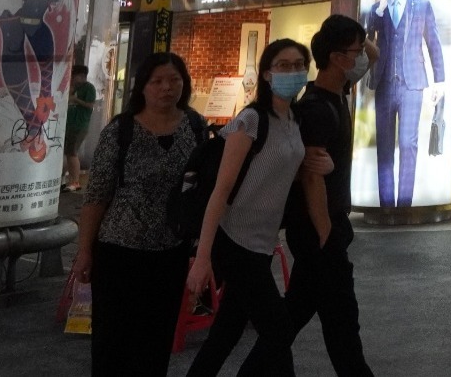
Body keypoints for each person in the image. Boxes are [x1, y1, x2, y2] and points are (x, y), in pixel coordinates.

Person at [185, 39, 329, 377]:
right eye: (283, 65)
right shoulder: (251, 119)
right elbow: (220, 191)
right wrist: (203, 257)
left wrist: (325, 165)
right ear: (266, 73)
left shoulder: (294, 120)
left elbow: (283, 171)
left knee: (226, 333)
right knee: (278, 330)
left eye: (299, 65)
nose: (293, 71)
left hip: (263, 242)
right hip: (234, 238)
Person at [250, 16, 378, 377]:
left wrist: (354, 33)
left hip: (322, 231)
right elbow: (311, 177)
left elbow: (374, 55)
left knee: (292, 317)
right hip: (319, 230)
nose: (362, 56)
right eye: (355, 51)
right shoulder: (318, 108)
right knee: (342, 323)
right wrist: (325, 233)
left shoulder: (339, 89)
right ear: (337, 58)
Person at [72, 52, 205, 377]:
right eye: (157, 81)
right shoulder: (121, 130)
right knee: (112, 343)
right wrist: (85, 250)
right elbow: (97, 195)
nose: (167, 88)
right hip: (119, 252)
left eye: (174, 80)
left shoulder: (195, 126)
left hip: (170, 252)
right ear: (142, 86)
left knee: (156, 341)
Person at [365, 0, 446, 207]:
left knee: (408, 143)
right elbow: (365, 38)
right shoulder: (376, 11)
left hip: (412, 84)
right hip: (384, 84)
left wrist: (440, 81)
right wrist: (380, 8)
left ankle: (404, 204)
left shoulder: (421, 5)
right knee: (385, 146)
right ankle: (387, 204)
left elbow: (433, 43)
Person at [63, 63, 98, 190]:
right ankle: (68, 179)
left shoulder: (89, 88)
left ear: (82, 76)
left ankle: (75, 182)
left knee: (72, 152)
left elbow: (90, 105)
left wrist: (75, 99)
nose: (73, 78)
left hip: (79, 125)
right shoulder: (74, 87)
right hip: (69, 124)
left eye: (75, 76)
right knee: (68, 153)